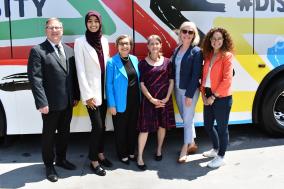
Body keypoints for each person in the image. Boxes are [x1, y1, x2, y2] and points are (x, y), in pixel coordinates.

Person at [27, 18, 80, 182]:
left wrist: (76, 95)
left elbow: (73, 77)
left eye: (57, 27)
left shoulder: (69, 50)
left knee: (64, 133)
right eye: (51, 28)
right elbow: (35, 79)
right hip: (49, 104)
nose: (55, 30)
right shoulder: (37, 50)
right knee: (49, 136)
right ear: (46, 30)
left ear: (62, 30)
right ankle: (49, 165)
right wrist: (41, 102)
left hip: (68, 102)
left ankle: (62, 159)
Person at [74, 11, 112, 176]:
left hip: (104, 91)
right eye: (90, 21)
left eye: (96, 21)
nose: (93, 24)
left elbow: (107, 64)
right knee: (97, 126)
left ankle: (101, 153)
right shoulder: (80, 42)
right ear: (86, 23)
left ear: (100, 23)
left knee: (102, 125)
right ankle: (93, 160)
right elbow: (80, 70)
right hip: (91, 94)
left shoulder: (104, 40)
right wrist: (87, 95)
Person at [137, 35, 175, 170]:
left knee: (162, 126)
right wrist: (151, 99)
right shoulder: (142, 63)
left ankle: (159, 150)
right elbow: (141, 84)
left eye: (156, 43)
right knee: (144, 129)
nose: (154, 46)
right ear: (148, 46)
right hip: (149, 101)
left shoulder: (167, 62)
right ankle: (140, 156)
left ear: (160, 46)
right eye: (151, 44)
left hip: (164, 100)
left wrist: (166, 98)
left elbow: (171, 81)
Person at [201, 27, 234, 168]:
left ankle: (221, 156)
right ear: (210, 40)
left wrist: (213, 97)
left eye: (219, 38)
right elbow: (203, 77)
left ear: (223, 40)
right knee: (208, 125)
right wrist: (203, 94)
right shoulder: (207, 55)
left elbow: (227, 80)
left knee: (222, 128)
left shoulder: (227, 56)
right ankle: (215, 149)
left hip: (221, 97)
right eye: (214, 38)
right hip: (207, 94)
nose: (216, 41)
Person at [171, 21, 203, 163]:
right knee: (186, 117)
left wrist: (189, 95)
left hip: (189, 91)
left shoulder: (196, 52)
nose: (187, 34)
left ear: (194, 35)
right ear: (180, 33)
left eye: (191, 32)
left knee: (188, 119)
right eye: (185, 31)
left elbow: (196, 75)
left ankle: (185, 147)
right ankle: (192, 143)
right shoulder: (177, 50)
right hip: (177, 89)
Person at [106, 35, 140, 165]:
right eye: (121, 44)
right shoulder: (112, 62)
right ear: (117, 46)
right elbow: (108, 85)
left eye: (127, 44)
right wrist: (112, 104)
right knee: (121, 130)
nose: (124, 46)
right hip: (120, 103)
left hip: (135, 101)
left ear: (130, 46)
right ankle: (122, 154)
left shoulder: (134, 59)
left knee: (132, 128)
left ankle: (131, 152)